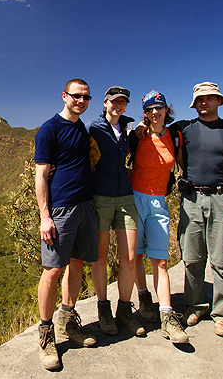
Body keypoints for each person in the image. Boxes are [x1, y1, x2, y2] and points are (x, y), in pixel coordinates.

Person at [174, 82, 223, 337]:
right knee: (192, 258)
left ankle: (222, 314)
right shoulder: (184, 129)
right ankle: (195, 306)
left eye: (209, 98)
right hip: (191, 199)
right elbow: (157, 127)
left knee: (222, 259)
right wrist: (141, 127)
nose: (204, 103)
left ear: (219, 101)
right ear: (194, 104)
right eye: (199, 99)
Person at [34, 79, 98, 370]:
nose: (81, 101)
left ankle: (67, 321)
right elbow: (41, 174)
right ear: (64, 96)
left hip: (86, 205)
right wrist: (44, 217)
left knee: (77, 263)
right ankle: (46, 334)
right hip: (60, 209)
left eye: (86, 97)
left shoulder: (81, 129)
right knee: (52, 270)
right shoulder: (50, 129)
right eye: (76, 96)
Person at [129, 90, 188, 344]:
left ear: (166, 109)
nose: (155, 112)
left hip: (158, 202)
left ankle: (167, 316)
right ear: (145, 113)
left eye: (159, 108)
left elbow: (184, 166)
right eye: (150, 109)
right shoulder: (137, 135)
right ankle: (143, 300)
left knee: (160, 260)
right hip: (133, 199)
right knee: (136, 256)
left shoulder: (176, 136)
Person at [85, 86, 144, 337]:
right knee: (99, 256)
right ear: (105, 103)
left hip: (125, 197)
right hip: (100, 198)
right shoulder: (93, 127)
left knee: (129, 256)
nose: (118, 106)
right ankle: (103, 308)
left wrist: (142, 126)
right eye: (114, 101)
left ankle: (124, 309)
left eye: (123, 102)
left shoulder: (129, 130)